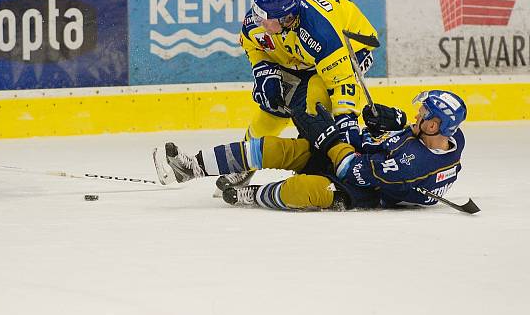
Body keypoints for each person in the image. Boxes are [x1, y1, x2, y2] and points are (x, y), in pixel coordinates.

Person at [155, 89, 468, 211]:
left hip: (358, 188)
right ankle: (190, 167)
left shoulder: (414, 166)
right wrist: (390, 122)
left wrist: (332, 136)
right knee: (274, 148)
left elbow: (353, 172)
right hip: (357, 161)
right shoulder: (450, 137)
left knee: (305, 188)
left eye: (422, 114)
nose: (418, 115)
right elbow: (380, 144)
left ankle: (254, 195)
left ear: (433, 125)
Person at [207, 0, 378, 192]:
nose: (257, 21)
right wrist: (264, 72)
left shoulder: (320, 33)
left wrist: (346, 120)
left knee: (314, 103)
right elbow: (253, 46)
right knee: (272, 106)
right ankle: (245, 163)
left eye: (264, 18)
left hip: (352, 45)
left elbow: (341, 82)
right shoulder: (262, 21)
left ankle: (318, 160)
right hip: (298, 53)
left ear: (287, 18)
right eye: (257, 13)